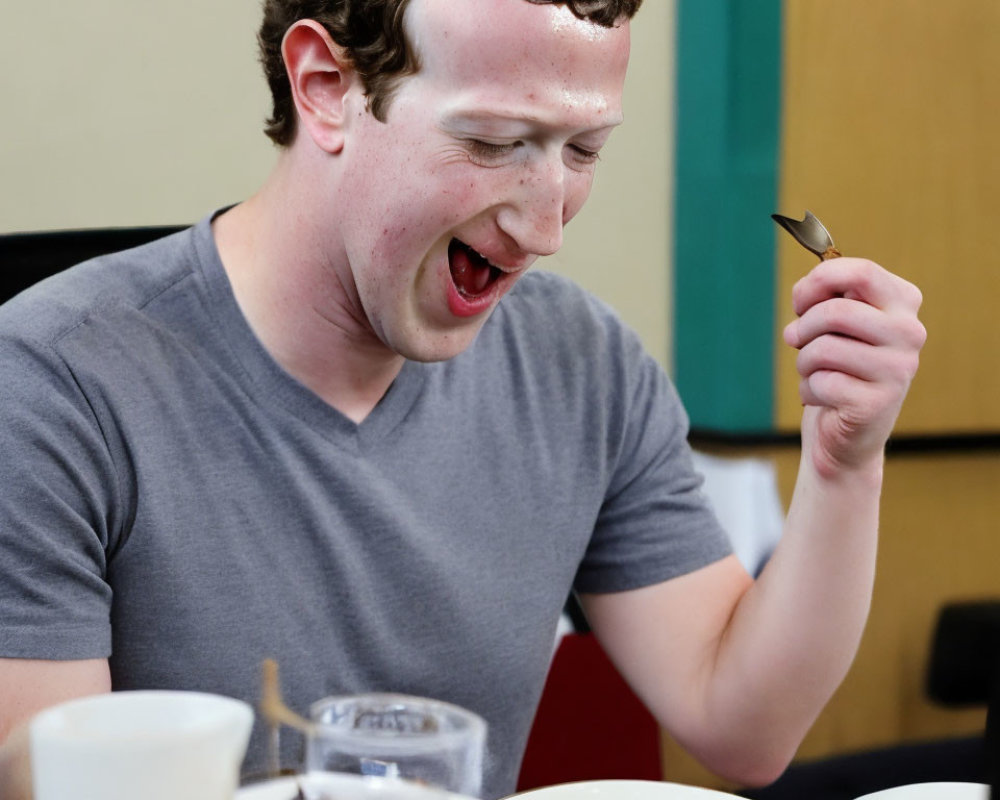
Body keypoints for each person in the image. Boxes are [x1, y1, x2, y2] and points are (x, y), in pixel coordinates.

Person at [0, 0, 926, 798]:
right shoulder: (52, 384)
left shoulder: (584, 365)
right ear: (324, 86)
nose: (545, 223)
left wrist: (846, 466)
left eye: (585, 150)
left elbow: (744, 725)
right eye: (494, 143)